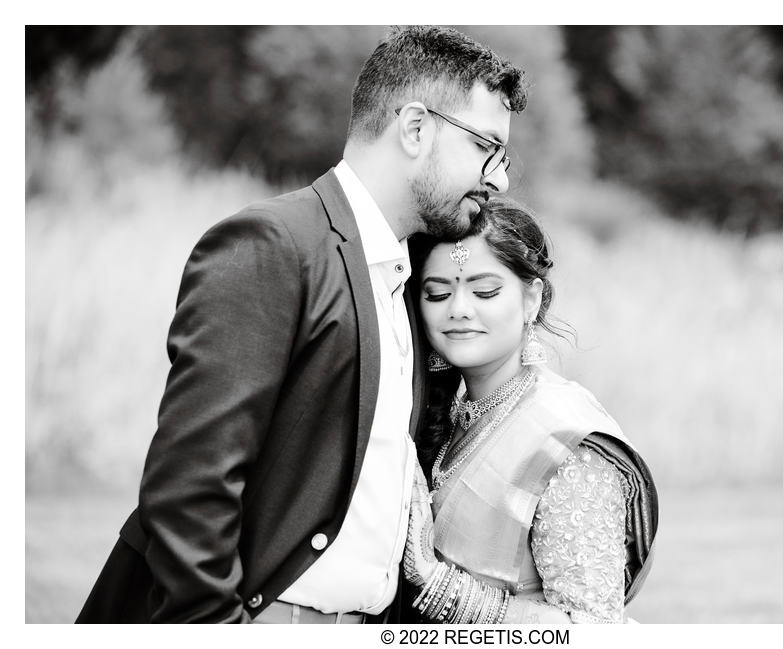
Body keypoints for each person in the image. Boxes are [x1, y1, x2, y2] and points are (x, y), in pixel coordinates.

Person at [75, 26, 527, 624]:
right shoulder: (274, 245)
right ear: (416, 129)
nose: (497, 177)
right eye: (485, 147)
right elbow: (191, 481)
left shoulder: (412, 275)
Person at [402, 198, 658, 623]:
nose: (458, 309)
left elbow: (590, 631)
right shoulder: (444, 417)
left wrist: (437, 583)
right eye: (438, 293)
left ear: (531, 299)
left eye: (485, 291)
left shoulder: (566, 440)